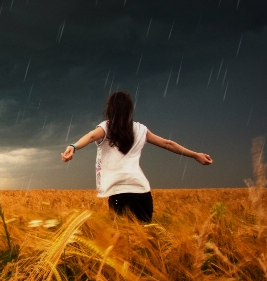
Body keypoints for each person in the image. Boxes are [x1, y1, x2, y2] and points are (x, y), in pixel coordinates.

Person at [61, 90, 212, 223]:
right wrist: (195, 155)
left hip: (119, 192)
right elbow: (167, 144)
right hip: (142, 192)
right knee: (144, 243)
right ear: (129, 110)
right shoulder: (141, 129)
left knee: (121, 245)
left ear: (110, 109)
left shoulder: (106, 127)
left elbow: (91, 136)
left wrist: (73, 147)